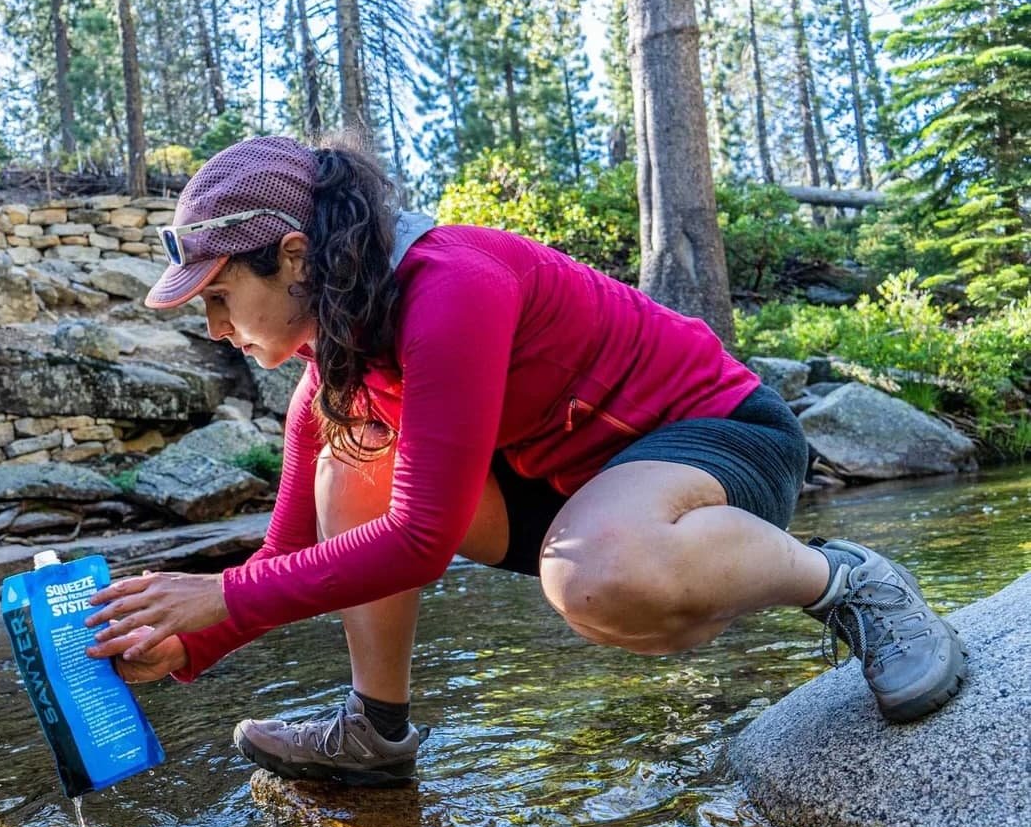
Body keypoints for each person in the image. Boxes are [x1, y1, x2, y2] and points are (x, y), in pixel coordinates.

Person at [84, 134, 967, 787]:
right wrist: (185, 645)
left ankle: (847, 582)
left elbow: (423, 540)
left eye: (218, 296)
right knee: (352, 461)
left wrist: (218, 594)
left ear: (292, 257)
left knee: (599, 577)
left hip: (719, 435)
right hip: (577, 494)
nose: (213, 328)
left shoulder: (452, 283)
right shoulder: (334, 366)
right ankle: (374, 730)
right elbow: (285, 556)